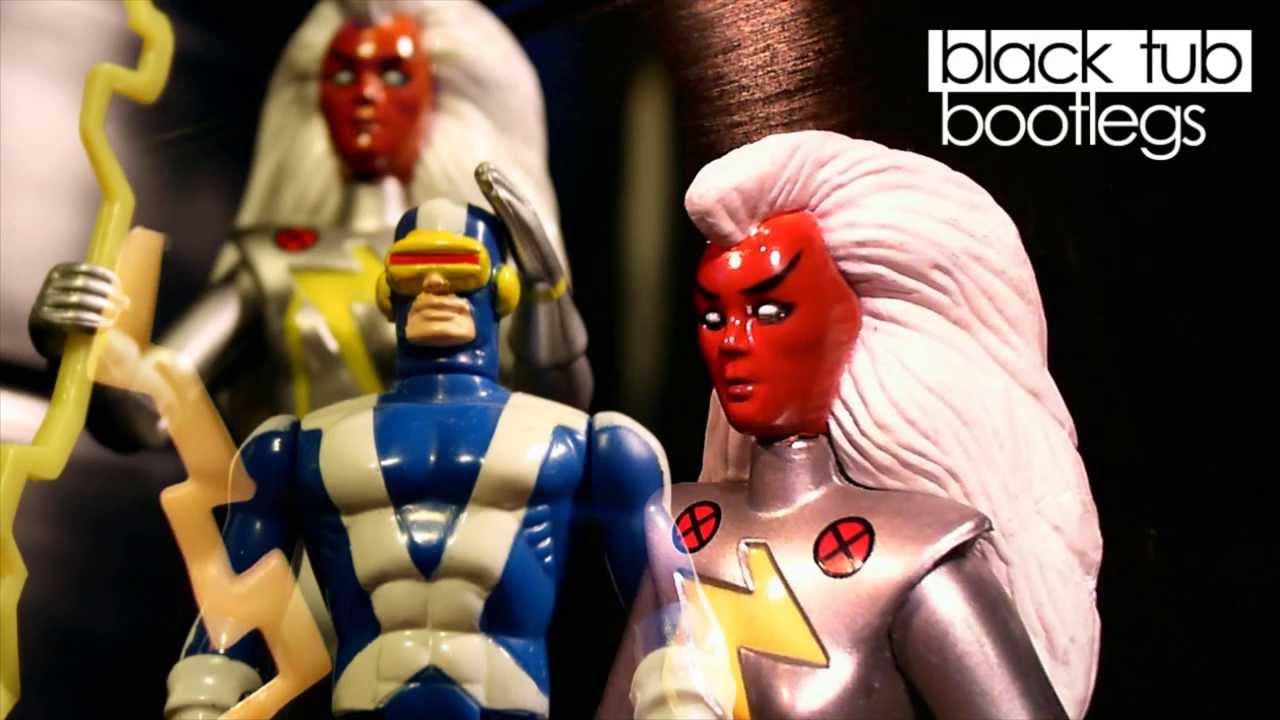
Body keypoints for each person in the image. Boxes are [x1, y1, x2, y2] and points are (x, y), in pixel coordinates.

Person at [603, 131, 1102, 720]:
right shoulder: (683, 530)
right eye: (714, 317)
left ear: (854, 319)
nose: (733, 342)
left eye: (770, 310)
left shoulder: (912, 557)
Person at [165, 193, 666, 720]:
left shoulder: (582, 443)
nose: (435, 285)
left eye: (460, 268)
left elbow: (669, 615)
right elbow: (231, 613)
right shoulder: (298, 446)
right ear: (387, 291)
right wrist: (201, 700)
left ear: (502, 286)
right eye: (412, 270)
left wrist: (679, 691)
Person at [28, 0, 590, 454]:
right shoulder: (276, 261)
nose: (365, 94)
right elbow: (150, 408)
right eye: (343, 73)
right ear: (316, 93)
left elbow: (558, 407)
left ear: (436, 93)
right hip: (314, 531)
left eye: (393, 74)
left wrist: (546, 289)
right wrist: (83, 347)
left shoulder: (471, 256)